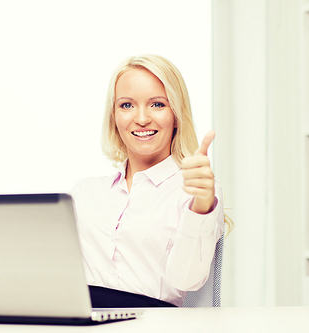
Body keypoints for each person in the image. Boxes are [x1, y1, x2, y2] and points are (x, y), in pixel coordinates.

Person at [70, 54, 230, 308]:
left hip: (154, 323)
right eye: (126, 105)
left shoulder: (194, 191)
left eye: (157, 104)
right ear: (113, 117)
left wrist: (201, 206)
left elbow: (186, 279)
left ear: (176, 114)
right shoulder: (84, 193)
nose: (142, 118)